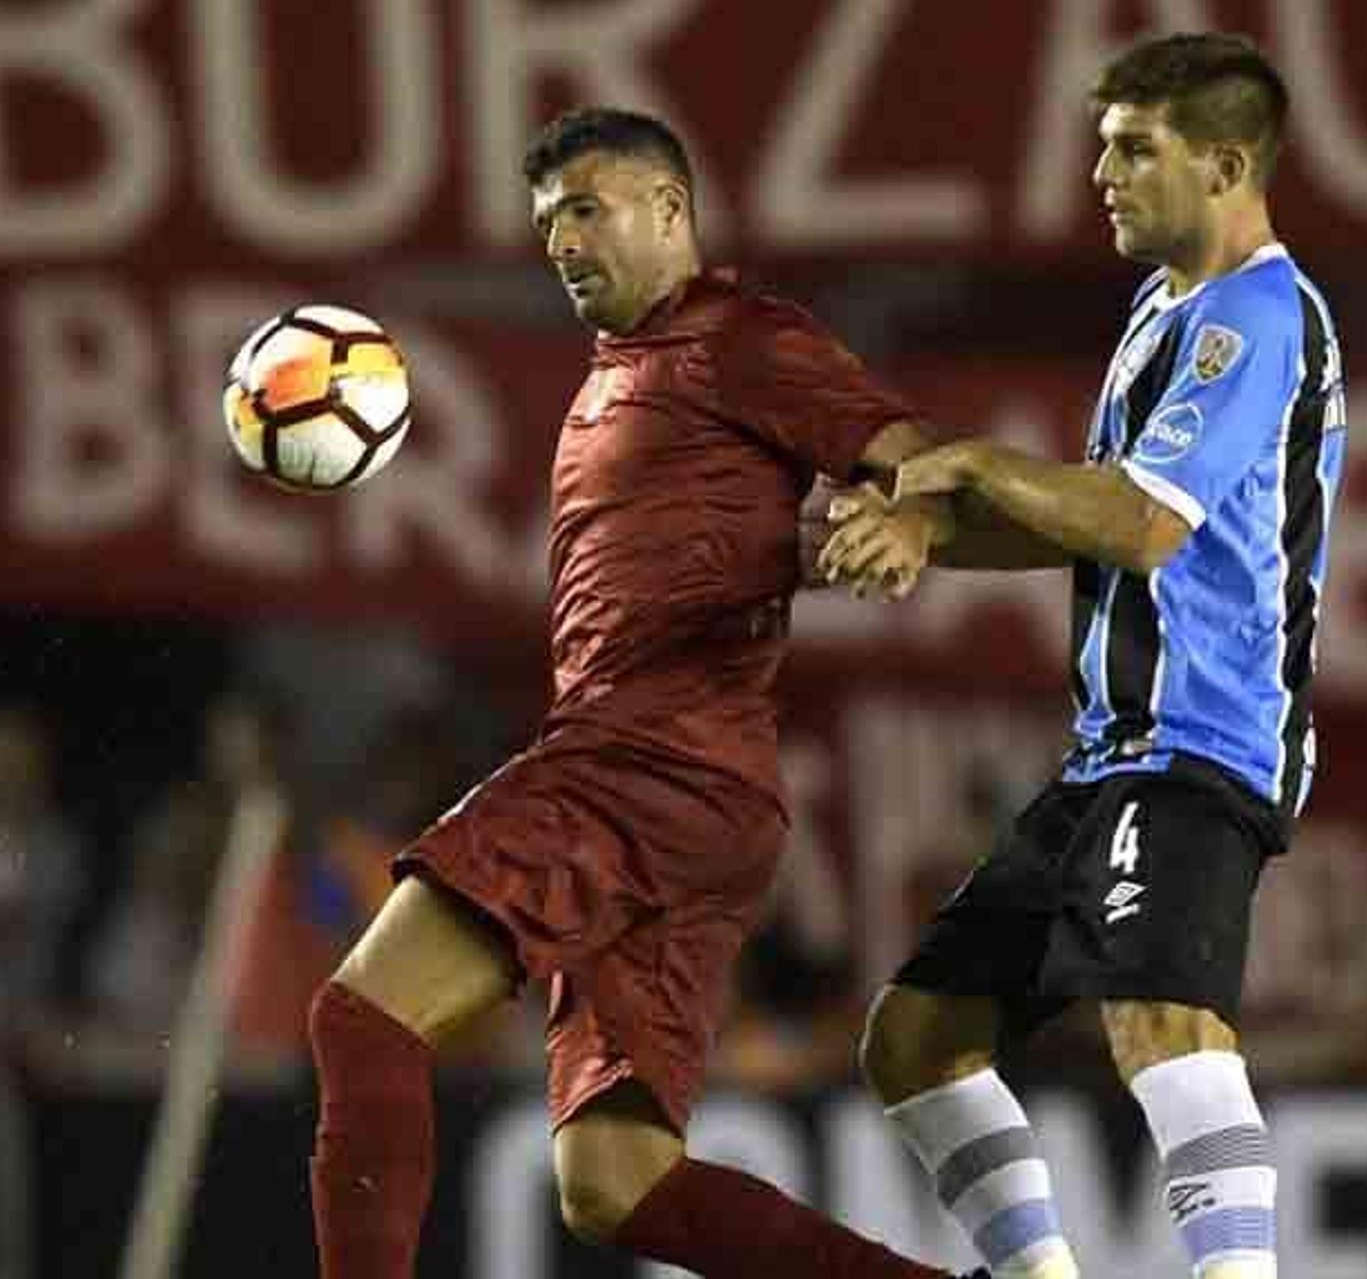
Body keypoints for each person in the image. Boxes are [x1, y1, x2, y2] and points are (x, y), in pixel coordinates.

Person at [305, 108, 978, 1279]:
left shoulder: (739, 337)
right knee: (616, 1185)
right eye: (545, 222)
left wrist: (910, 512)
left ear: (670, 209)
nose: (561, 240)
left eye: (585, 208)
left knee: (360, 1017)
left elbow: (911, 447)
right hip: (701, 800)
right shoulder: (618, 380)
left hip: (641, 768)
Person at [822, 33, 1346, 1279]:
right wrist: (922, 535)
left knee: (1162, 1018)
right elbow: (1085, 521)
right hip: (1116, 750)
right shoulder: (1161, 307)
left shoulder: (1255, 319)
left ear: (1224, 164)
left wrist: (966, 458)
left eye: (1132, 148)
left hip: (1203, 737)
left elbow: (1140, 521)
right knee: (917, 1035)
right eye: (1099, 145)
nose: (1099, 172)